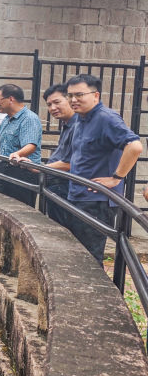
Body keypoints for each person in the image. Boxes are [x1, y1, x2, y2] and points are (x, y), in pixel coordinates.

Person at [61, 74, 142, 263]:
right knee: (77, 255)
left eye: (79, 94)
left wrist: (116, 177)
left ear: (95, 95)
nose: (73, 100)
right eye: (70, 95)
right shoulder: (81, 119)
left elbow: (135, 146)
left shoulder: (106, 118)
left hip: (96, 201)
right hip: (78, 196)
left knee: (90, 258)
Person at [0, 83, 42, 206]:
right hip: (7, 169)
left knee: (19, 209)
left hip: (23, 172)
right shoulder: (7, 119)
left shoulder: (29, 118)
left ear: (11, 99)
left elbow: (31, 145)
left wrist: (17, 154)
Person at [41, 83, 77, 227]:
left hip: (66, 187)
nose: (52, 108)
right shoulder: (66, 124)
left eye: (57, 102)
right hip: (57, 185)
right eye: (49, 104)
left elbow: (68, 163)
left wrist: (41, 168)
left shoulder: (78, 125)